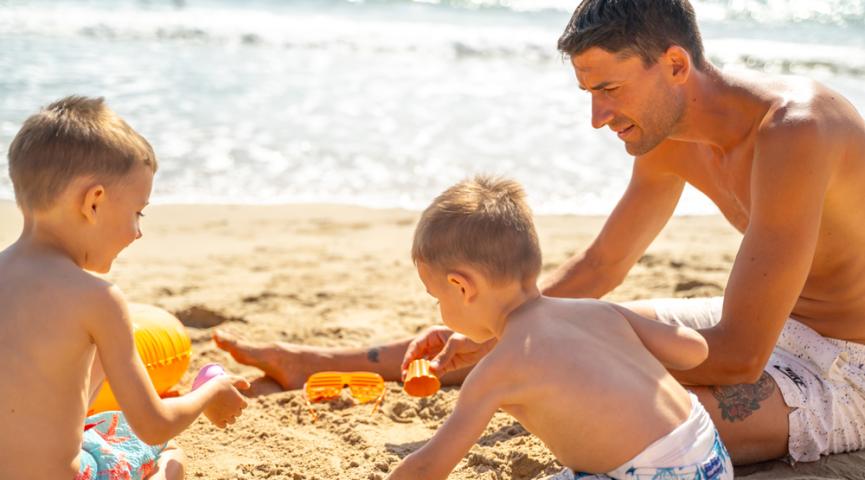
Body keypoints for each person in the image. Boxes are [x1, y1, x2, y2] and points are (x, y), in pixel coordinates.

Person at [215, 0, 865, 466]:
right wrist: (516, 325)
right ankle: (316, 364)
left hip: (846, 362)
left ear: (674, 64)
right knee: (546, 337)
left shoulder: (796, 132)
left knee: (631, 423)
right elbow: (603, 263)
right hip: (756, 325)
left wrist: (548, 348)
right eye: (587, 92)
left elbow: (740, 357)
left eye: (608, 89)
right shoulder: (667, 137)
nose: (596, 117)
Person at [383, 176, 732, 480]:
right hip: (712, 455)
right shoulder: (598, 311)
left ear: (461, 287)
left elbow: (429, 468)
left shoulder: (496, 372)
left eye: (436, 298)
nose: (439, 309)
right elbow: (693, 350)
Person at [0, 96, 250, 480]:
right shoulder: (98, 300)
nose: (138, 232)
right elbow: (155, 424)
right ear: (94, 202)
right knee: (168, 454)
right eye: (137, 212)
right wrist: (209, 394)